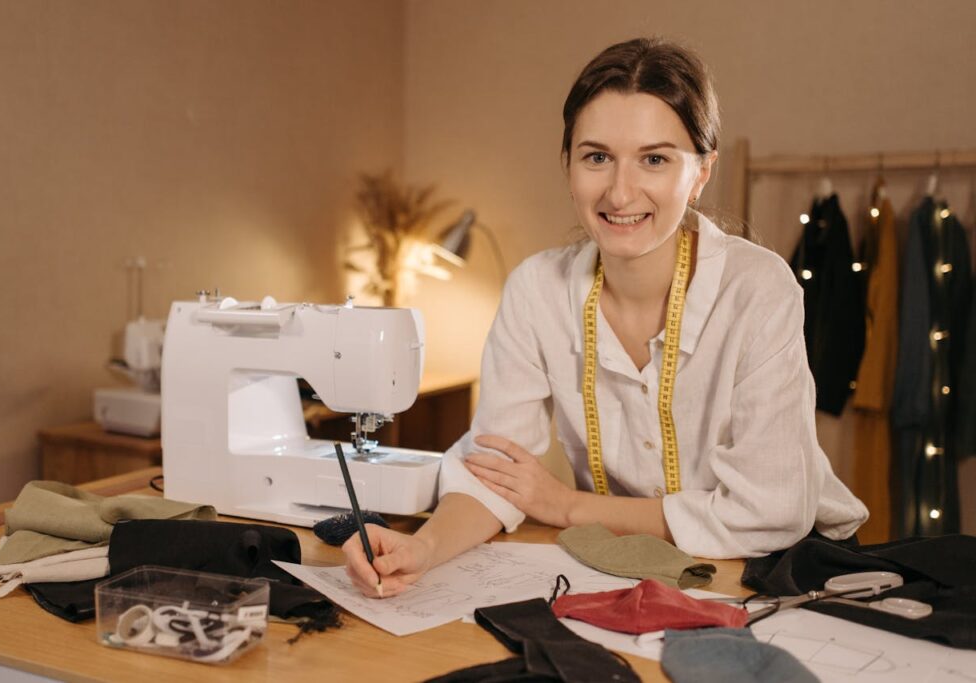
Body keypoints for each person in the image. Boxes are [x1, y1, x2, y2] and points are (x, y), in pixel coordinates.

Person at [343, 37, 868, 598]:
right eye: (597, 157)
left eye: (655, 159)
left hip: (785, 569)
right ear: (568, 165)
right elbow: (497, 472)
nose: (620, 192)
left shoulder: (757, 289)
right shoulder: (536, 291)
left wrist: (567, 504)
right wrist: (423, 548)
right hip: (636, 565)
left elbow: (772, 511)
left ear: (701, 172)